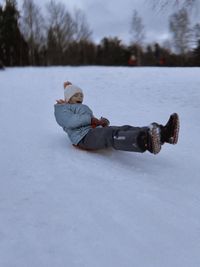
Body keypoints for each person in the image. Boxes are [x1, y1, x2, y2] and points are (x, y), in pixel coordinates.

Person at [54, 81, 180, 155]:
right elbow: (70, 122)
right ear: (67, 98)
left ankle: (163, 133)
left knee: (123, 128)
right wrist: (91, 120)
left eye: (81, 95)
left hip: (92, 131)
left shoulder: (81, 107)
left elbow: (88, 120)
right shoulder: (61, 109)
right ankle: (145, 141)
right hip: (82, 138)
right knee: (110, 134)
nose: (80, 97)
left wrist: (101, 122)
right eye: (76, 95)